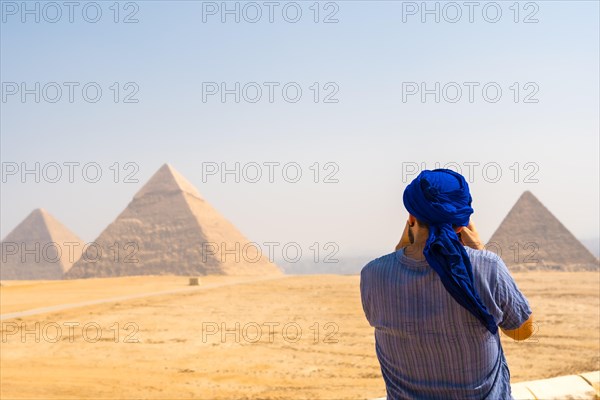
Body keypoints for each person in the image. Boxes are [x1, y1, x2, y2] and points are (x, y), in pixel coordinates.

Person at [360, 169, 534, 400]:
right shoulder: (488, 267)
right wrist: (480, 253)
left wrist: (401, 248)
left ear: (411, 218)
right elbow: (522, 332)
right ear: (462, 225)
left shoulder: (373, 274)